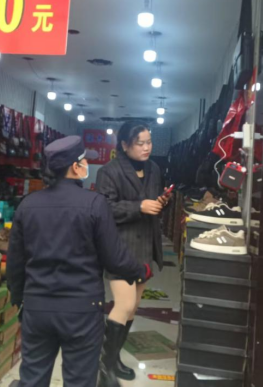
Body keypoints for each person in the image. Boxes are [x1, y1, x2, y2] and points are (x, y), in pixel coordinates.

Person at [7, 136, 151, 388]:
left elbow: (15, 264)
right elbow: (115, 259)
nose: (86, 165)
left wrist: (20, 301)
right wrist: (141, 270)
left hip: (37, 308)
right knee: (79, 380)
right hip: (81, 311)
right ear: (75, 167)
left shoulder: (28, 205)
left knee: (32, 379)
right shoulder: (94, 203)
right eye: (84, 161)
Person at [95, 121, 170, 382]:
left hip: (145, 245)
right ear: (125, 145)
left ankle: (113, 358)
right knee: (124, 304)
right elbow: (104, 208)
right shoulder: (109, 172)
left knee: (133, 306)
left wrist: (161, 202)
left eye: (149, 142)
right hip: (120, 247)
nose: (147, 147)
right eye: (140, 143)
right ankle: (104, 368)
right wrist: (139, 207)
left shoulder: (154, 169)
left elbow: (152, 201)